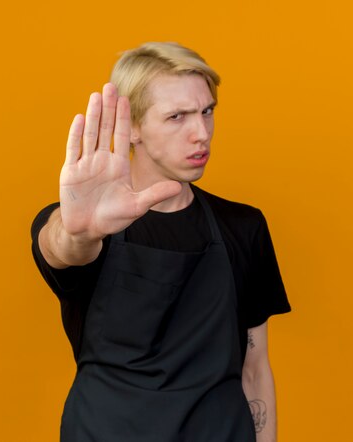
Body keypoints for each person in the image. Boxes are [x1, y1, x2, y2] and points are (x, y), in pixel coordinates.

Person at [31, 42, 291, 442]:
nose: (200, 133)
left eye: (207, 112)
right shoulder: (87, 224)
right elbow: (62, 248)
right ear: (131, 126)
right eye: (176, 117)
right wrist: (76, 230)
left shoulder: (243, 226)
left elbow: (254, 368)